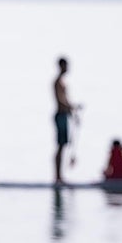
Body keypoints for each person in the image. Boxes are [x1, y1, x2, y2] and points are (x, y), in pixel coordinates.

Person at [53, 57, 78, 185]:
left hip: (65, 115)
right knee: (60, 145)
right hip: (60, 115)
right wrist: (71, 107)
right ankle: (57, 177)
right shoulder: (57, 81)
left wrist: (73, 109)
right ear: (61, 66)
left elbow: (66, 100)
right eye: (66, 65)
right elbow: (60, 100)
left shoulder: (62, 81)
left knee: (63, 145)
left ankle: (59, 176)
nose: (67, 68)